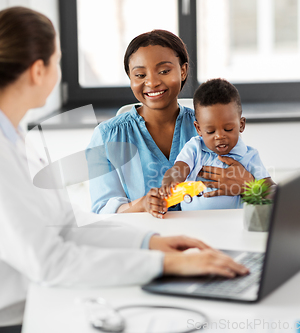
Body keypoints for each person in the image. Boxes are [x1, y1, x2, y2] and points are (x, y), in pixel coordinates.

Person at [0, 8, 248, 333]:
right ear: (39, 71)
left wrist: (151, 243)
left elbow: (67, 225)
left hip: (42, 298)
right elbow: (52, 263)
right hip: (12, 320)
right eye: (57, 60)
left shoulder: (9, 139)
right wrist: (169, 264)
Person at [87, 30, 254, 218]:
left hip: (209, 237)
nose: (152, 82)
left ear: (183, 71)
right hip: (142, 241)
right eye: (140, 75)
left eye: (164, 71)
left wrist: (250, 186)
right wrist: (141, 205)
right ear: (130, 79)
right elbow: (102, 210)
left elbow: (257, 191)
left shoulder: (214, 129)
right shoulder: (105, 137)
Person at [159, 78, 275, 213]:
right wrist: (170, 181)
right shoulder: (195, 148)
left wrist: (252, 186)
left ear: (241, 125)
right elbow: (179, 169)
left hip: (232, 224)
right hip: (191, 222)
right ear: (199, 129)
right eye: (210, 131)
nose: (220, 136)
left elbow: (272, 192)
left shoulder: (249, 155)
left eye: (228, 129)